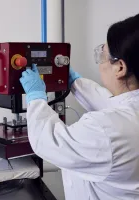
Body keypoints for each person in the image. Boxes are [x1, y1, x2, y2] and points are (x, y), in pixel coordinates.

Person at [20, 13, 139, 200]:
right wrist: (75, 82)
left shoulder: (104, 130)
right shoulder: (126, 115)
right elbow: (115, 105)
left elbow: (48, 141)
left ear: (120, 68)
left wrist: (35, 97)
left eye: (103, 55)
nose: (100, 61)